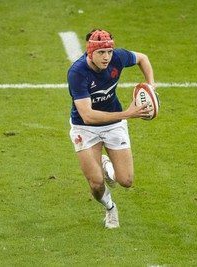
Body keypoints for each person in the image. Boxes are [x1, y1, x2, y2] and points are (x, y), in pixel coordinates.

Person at [67, 29, 155, 229]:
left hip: (113, 125)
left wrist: (152, 87)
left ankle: (107, 167)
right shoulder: (77, 73)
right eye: (101, 53)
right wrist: (127, 114)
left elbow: (143, 58)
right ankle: (110, 208)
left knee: (126, 180)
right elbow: (88, 116)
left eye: (109, 51)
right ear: (90, 52)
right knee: (96, 184)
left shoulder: (118, 57)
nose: (106, 57)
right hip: (85, 128)